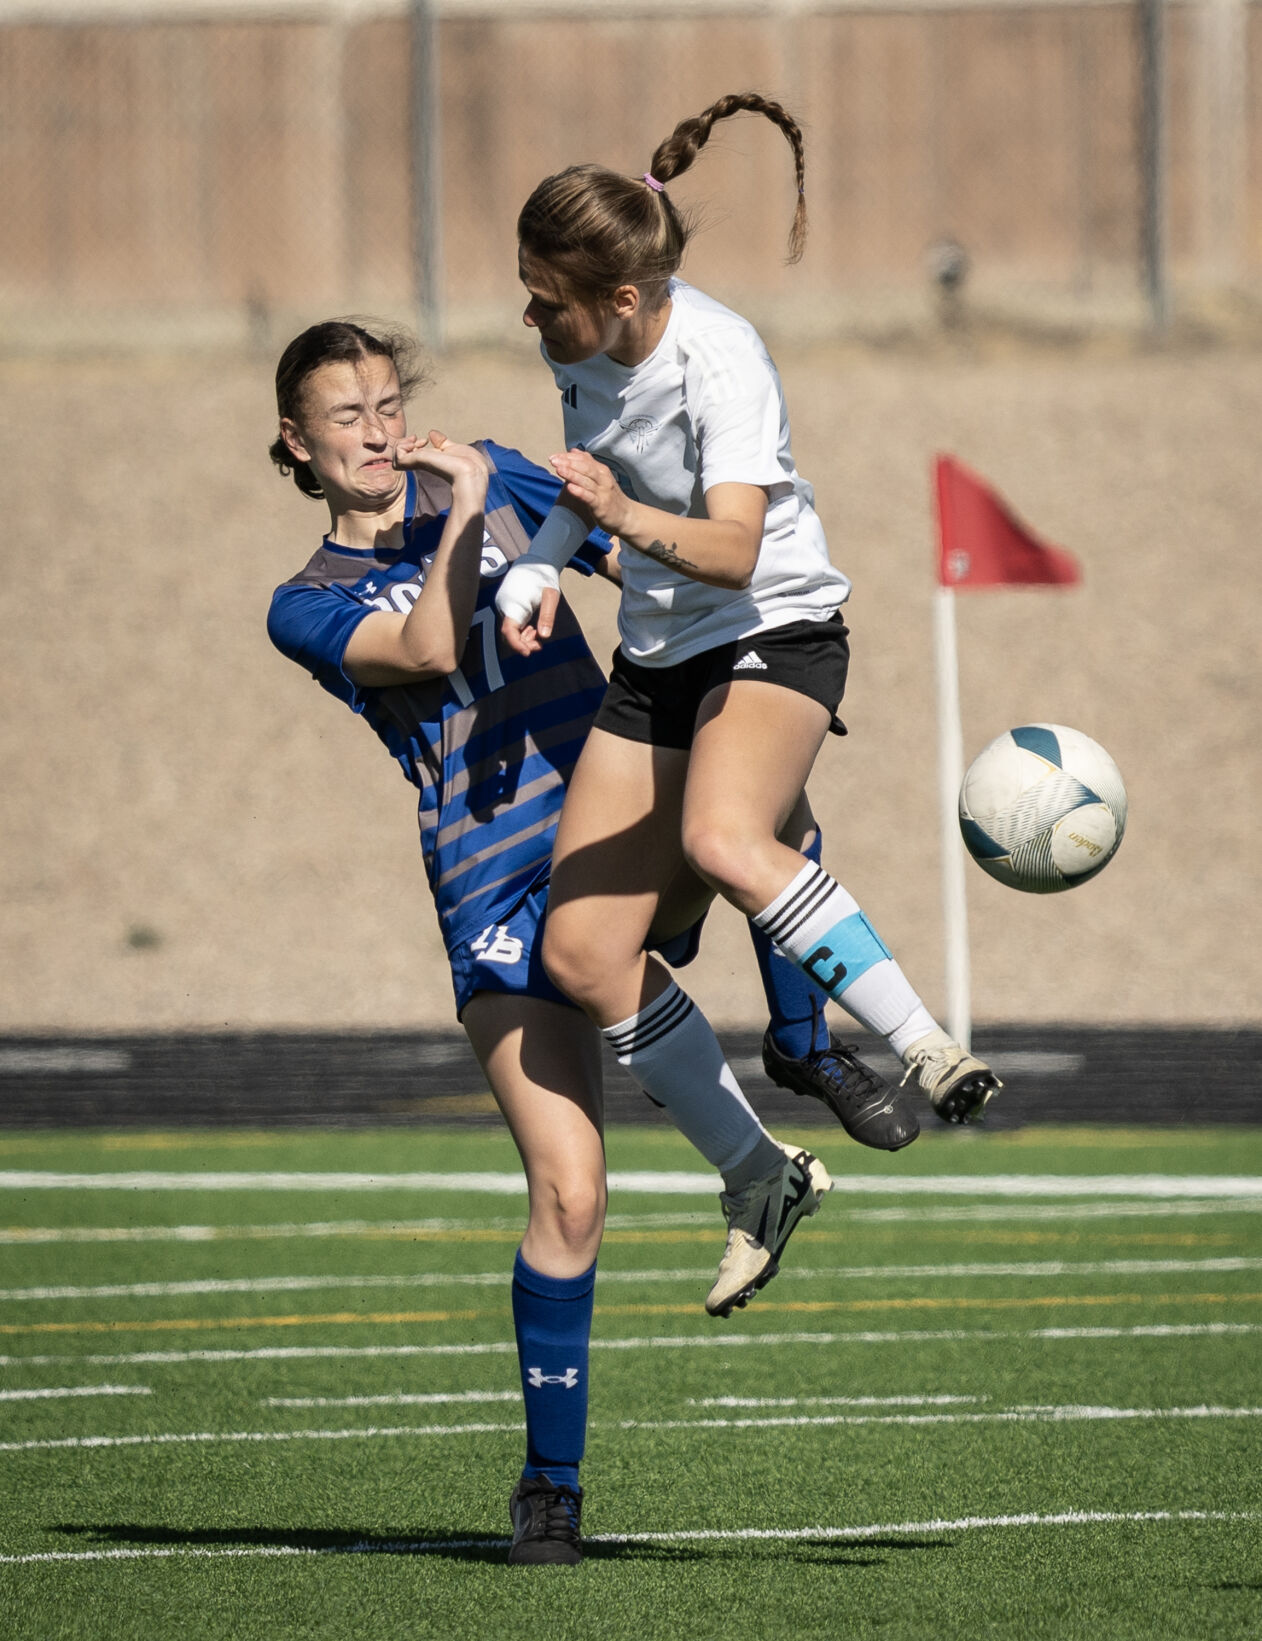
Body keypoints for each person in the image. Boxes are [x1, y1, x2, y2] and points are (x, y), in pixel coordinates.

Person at [264, 320, 912, 1567]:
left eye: (390, 404)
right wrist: (466, 516)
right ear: (297, 444)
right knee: (570, 1192)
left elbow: (655, 572)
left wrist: (768, 676)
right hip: (487, 881)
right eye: (346, 418)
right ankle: (549, 1487)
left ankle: (802, 1049)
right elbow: (429, 647)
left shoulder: (501, 471)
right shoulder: (306, 602)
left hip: (609, 825)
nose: (379, 433)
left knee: (766, 804)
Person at [494, 92, 1001, 1231]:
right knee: (578, 952)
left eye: (544, 299)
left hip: (771, 626)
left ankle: (920, 1045)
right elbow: (592, 483)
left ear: (620, 298)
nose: (528, 318)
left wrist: (616, 517)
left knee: (724, 840)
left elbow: (729, 551)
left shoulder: (719, 360)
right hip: (659, 654)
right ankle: (757, 1173)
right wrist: (539, 562)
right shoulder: (586, 347)